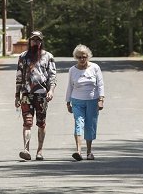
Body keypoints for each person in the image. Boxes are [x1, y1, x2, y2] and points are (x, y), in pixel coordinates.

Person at [15, 31, 57, 161]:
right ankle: (26, 149)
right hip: (26, 94)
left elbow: (52, 76)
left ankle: (39, 151)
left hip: (42, 95)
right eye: (34, 40)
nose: (36, 42)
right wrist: (17, 95)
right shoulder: (23, 56)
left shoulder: (48, 56)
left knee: (41, 123)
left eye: (38, 40)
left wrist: (51, 91)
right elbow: (19, 76)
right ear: (30, 41)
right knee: (27, 122)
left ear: (41, 42)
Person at [65, 44, 105, 161]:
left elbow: (100, 84)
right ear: (75, 58)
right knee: (79, 123)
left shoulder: (95, 68)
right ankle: (78, 151)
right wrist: (68, 102)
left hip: (92, 100)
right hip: (77, 100)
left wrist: (101, 99)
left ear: (88, 56)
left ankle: (89, 151)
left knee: (90, 126)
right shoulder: (72, 70)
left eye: (84, 57)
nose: (82, 59)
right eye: (79, 57)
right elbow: (69, 86)